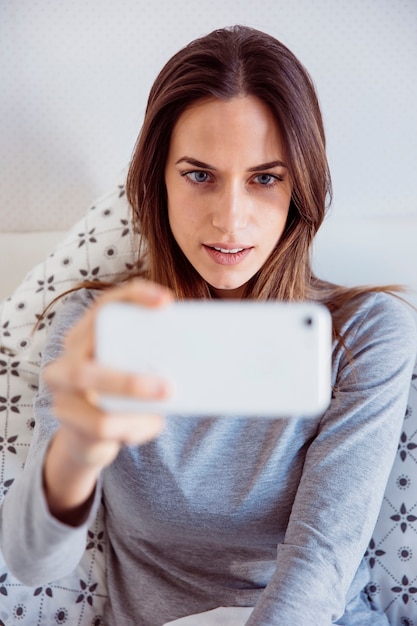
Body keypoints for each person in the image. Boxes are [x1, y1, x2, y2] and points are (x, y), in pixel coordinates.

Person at [0, 25, 416, 626]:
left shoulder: (366, 335)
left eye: (265, 178)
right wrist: (77, 452)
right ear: (158, 180)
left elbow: (320, 564)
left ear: (301, 186)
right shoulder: (99, 328)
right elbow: (31, 563)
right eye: (199, 175)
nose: (230, 219)